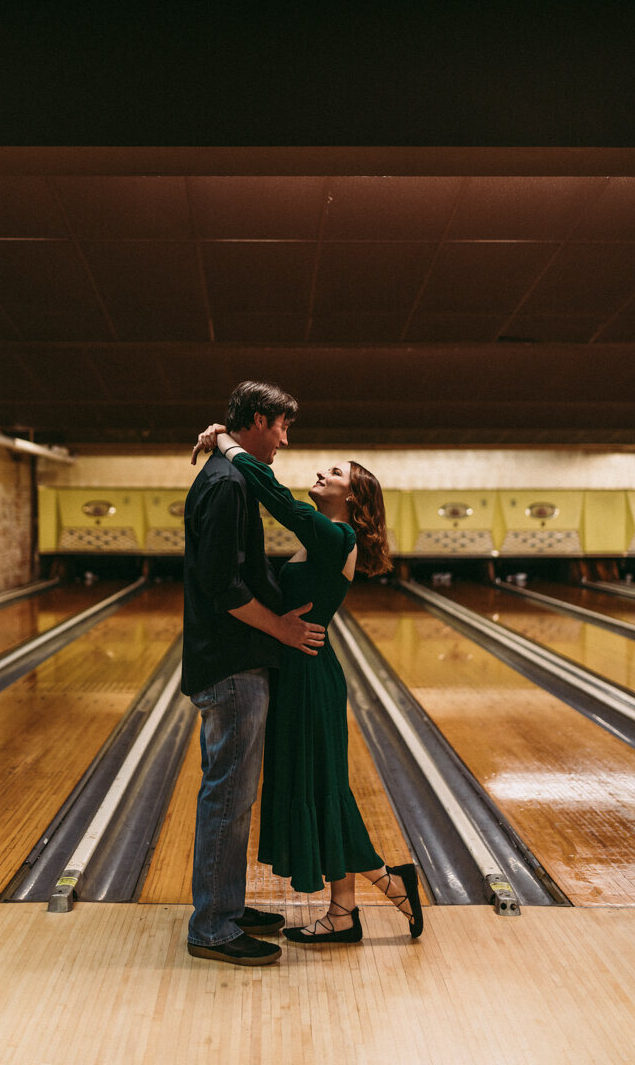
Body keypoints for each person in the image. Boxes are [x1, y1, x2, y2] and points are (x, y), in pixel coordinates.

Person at [191, 422, 424, 945]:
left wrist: (226, 442)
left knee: (321, 788)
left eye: (336, 472)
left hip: (312, 679)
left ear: (354, 497)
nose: (322, 472)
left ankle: (388, 882)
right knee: (318, 788)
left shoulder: (338, 535)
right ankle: (344, 912)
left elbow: (277, 498)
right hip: (298, 674)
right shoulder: (327, 537)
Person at [183, 381, 326, 966]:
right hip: (233, 661)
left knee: (230, 794)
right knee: (227, 797)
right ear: (260, 420)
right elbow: (223, 587)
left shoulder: (227, 474)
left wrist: (218, 438)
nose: (285, 441)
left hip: (229, 659)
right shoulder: (228, 485)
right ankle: (213, 927)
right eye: (283, 428)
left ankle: (226, 906)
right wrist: (283, 629)